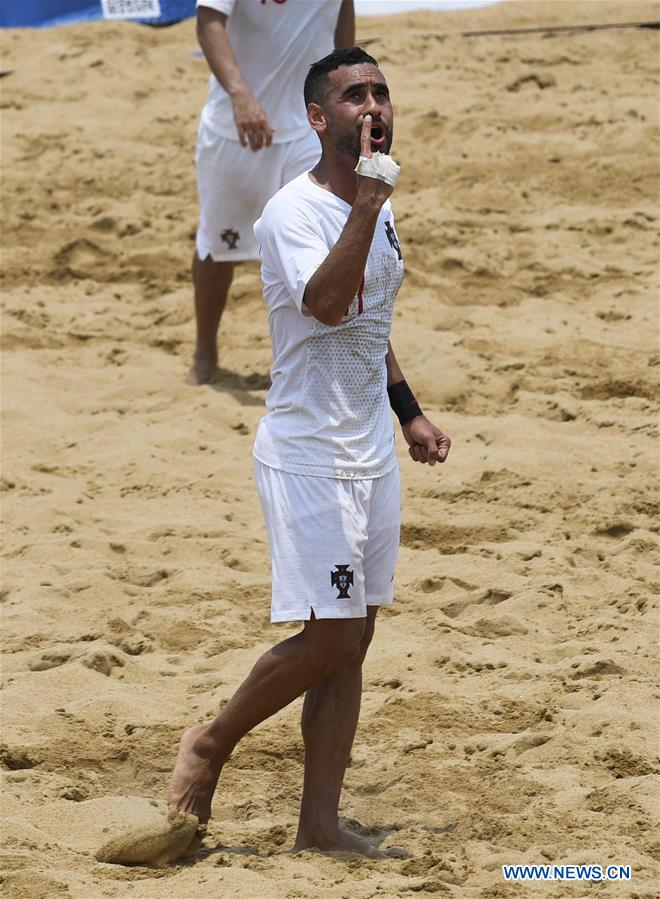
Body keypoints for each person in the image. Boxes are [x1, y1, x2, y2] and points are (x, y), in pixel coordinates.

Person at [168, 46, 451, 857]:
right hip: (307, 454)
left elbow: (372, 324)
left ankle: (319, 824)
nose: (373, 105)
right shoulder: (294, 212)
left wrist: (410, 413)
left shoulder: (378, 200)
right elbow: (327, 306)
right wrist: (367, 201)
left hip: (368, 449)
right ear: (318, 118)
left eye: (382, 93)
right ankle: (210, 741)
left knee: (353, 641)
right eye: (354, 95)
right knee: (327, 637)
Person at [189, 0, 355, 384]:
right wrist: (240, 96)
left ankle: (308, 366)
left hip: (309, 129)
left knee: (319, 250)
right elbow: (209, 21)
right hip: (238, 129)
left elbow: (342, 7)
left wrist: (347, 80)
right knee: (218, 249)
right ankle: (205, 354)